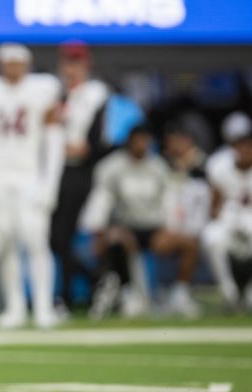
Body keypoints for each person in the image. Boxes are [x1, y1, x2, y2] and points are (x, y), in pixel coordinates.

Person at [0, 43, 65, 329]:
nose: (13, 68)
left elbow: (54, 141)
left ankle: (43, 307)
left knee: (36, 240)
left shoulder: (43, 89)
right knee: (7, 244)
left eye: (18, 62)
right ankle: (14, 307)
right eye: (8, 62)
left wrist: (50, 183)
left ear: (27, 64)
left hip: (29, 176)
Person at [82, 126, 201, 318]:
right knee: (115, 242)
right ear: (129, 141)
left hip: (153, 228)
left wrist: (171, 227)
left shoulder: (157, 167)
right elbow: (101, 202)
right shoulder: (111, 167)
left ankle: (180, 294)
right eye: (138, 140)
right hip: (124, 227)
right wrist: (102, 229)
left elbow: (168, 200)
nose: (142, 145)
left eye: (145, 140)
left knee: (190, 243)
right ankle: (125, 292)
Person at [50, 42, 110, 310]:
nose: (71, 68)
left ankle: (70, 293)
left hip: (79, 171)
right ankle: (90, 283)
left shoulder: (95, 94)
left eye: (77, 62)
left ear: (86, 65)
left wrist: (80, 147)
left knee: (61, 236)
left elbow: (93, 143)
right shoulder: (58, 94)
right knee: (56, 237)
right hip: (56, 171)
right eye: (68, 62)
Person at [202, 129, 252, 309]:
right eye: (242, 146)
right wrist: (225, 217)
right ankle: (228, 291)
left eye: (249, 146)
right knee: (211, 236)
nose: (246, 151)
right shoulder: (220, 166)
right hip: (228, 217)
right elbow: (213, 208)